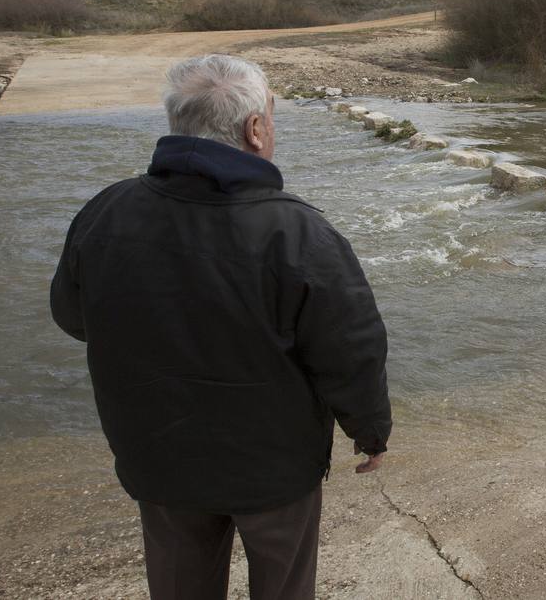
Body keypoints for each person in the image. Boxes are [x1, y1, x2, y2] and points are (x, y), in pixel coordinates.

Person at [50, 54, 391, 600]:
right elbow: (351, 349)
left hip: (158, 457)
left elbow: (73, 317)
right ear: (255, 129)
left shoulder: (105, 212)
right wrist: (369, 432)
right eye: (272, 117)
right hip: (273, 469)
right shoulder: (298, 232)